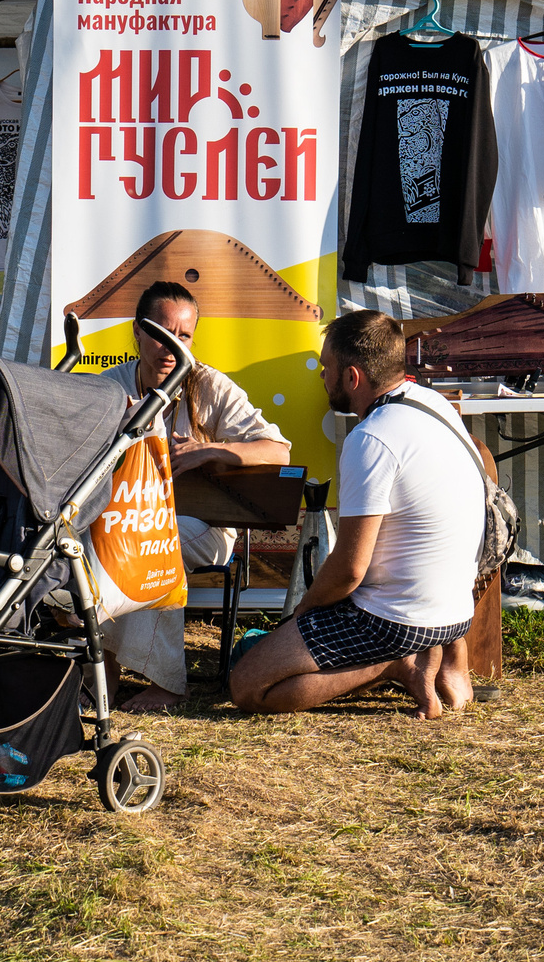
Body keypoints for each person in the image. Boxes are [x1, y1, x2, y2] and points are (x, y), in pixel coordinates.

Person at [229, 310, 482, 720]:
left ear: (352, 377)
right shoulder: (434, 404)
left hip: (395, 619)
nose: (321, 377)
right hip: (456, 612)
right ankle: (442, 653)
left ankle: (395, 664)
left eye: (326, 367)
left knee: (248, 685)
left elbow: (349, 570)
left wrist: (302, 613)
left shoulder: (371, 438)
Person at [98, 281, 291, 711]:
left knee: (152, 543)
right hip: (123, 520)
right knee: (104, 546)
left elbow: (279, 450)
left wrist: (212, 450)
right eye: (161, 333)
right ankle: (104, 670)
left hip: (204, 526)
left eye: (183, 336)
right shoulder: (109, 387)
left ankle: (168, 683)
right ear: (137, 331)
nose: (172, 347)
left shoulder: (209, 386)